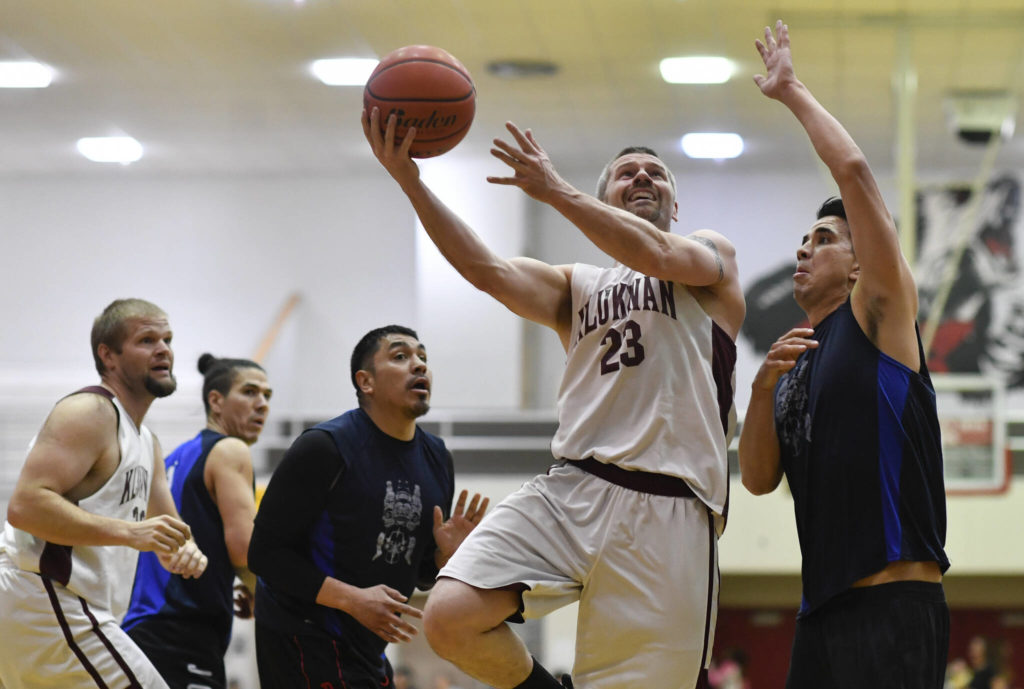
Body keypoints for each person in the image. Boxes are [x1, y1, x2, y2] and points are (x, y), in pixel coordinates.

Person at [363, 79, 745, 688]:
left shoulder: (707, 256)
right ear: (606, 198)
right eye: (626, 173)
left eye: (656, 173)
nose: (643, 176)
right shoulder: (577, 285)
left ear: (676, 207)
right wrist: (411, 181)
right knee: (449, 616)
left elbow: (661, 258)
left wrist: (556, 191)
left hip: (670, 509)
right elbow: (485, 270)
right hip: (573, 487)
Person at [737, 20, 950, 689]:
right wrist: (761, 391)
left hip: (891, 601)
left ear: (861, 264)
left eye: (824, 238)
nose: (803, 249)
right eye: (802, 239)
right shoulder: (795, 357)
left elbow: (854, 171)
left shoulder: (879, 317)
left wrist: (792, 90)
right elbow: (756, 478)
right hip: (819, 611)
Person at [247, 325, 489, 689]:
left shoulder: (437, 457)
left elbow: (418, 570)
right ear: (366, 382)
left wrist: (443, 557)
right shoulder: (324, 447)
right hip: (303, 638)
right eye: (400, 356)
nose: (419, 365)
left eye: (423, 357)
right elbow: (264, 556)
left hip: (367, 649)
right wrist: (353, 600)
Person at [0, 298, 208, 689]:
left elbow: (170, 536)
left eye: (167, 339)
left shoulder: (147, 442)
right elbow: (25, 507)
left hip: (67, 606)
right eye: (147, 339)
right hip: (43, 596)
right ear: (108, 355)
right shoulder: (90, 411)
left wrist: (186, 550)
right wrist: (130, 533)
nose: (163, 348)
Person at [122, 353, 273, 689]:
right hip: (183, 634)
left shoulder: (174, 457)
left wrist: (230, 581)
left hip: (141, 631)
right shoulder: (231, 450)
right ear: (215, 401)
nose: (262, 404)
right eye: (249, 392)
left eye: (267, 395)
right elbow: (247, 552)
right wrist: (268, 597)